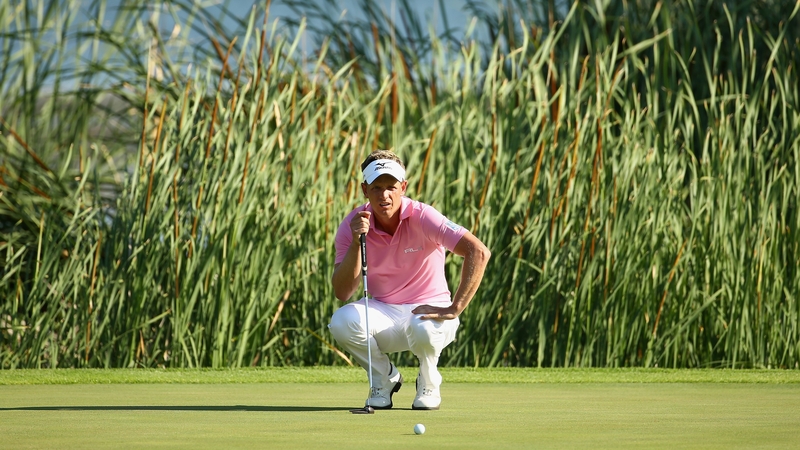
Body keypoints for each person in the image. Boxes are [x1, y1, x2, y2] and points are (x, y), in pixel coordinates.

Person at [328, 150, 491, 410]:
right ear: (364, 189)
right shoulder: (353, 224)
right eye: (377, 187)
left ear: (403, 187)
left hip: (430, 310)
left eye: (391, 187)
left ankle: (428, 379)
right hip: (384, 313)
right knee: (341, 322)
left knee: (422, 327)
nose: (385, 195)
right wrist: (358, 243)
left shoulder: (423, 216)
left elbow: (479, 251)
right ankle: (383, 379)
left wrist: (455, 308)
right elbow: (343, 292)